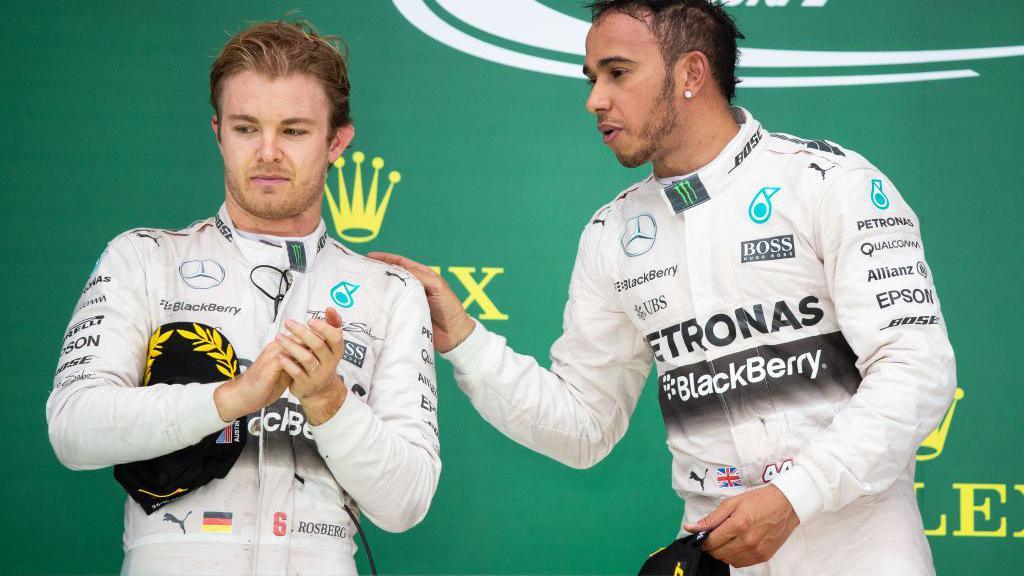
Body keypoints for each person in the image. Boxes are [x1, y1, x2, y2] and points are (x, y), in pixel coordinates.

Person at [370, 1, 955, 573]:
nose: (594, 99)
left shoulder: (830, 184)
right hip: (710, 551)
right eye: (592, 77)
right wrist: (466, 340)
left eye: (617, 73)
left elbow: (918, 370)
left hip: (860, 542)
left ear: (691, 73)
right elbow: (583, 426)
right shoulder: (612, 233)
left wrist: (793, 497)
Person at [46, 20, 440, 575]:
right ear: (218, 132)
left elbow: (406, 503)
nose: (269, 152)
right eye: (246, 128)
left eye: (295, 131)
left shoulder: (390, 293)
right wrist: (231, 398)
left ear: (337, 141)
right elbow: (72, 429)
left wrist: (327, 400)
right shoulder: (143, 258)